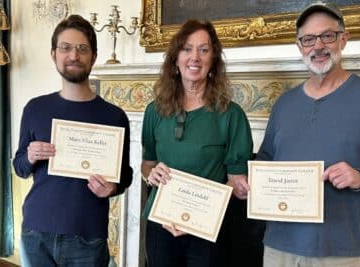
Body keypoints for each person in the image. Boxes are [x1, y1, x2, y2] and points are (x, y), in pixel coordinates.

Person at [256, 1, 360, 267]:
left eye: (327, 36)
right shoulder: (283, 103)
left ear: (343, 39)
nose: (318, 46)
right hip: (278, 245)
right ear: (299, 46)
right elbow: (265, 161)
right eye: (308, 39)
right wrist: (251, 183)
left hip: (338, 249)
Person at [13, 14, 133, 267]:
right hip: (37, 232)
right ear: (53, 54)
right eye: (65, 48)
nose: (74, 55)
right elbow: (19, 166)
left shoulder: (114, 116)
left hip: (87, 234)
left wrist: (113, 188)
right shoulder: (35, 108)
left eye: (82, 49)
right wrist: (31, 155)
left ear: (94, 56)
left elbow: (125, 175)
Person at [140, 19, 254, 267]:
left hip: (207, 230)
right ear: (175, 59)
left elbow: (235, 180)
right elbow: (147, 164)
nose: (195, 57)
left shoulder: (231, 115)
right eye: (187, 49)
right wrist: (151, 174)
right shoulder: (154, 111)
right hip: (160, 224)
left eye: (204, 50)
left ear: (213, 60)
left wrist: (242, 188)